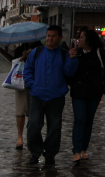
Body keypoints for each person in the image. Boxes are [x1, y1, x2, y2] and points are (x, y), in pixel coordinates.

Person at [23, 25, 78, 165]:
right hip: (37, 95)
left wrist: (72, 59)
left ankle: (50, 153)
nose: (50, 39)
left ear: (60, 38)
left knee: (54, 127)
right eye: (48, 36)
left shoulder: (64, 54)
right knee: (33, 125)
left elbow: (69, 73)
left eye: (53, 36)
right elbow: (28, 70)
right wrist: (31, 84)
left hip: (56, 96)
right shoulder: (37, 52)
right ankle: (35, 152)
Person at [69, 28, 105, 162]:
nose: (79, 40)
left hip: (94, 92)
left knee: (88, 121)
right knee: (79, 120)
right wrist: (73, 82)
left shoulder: (99, 52)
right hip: (78, 92)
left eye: (82, 37)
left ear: (88, 40)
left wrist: (102, 81)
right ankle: (76, 150)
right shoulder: (77, 53)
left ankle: (84, 149)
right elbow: (68, 70)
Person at [12, 41, 42, 149]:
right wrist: (23, 57)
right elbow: (13, 64)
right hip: (20, 82)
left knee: (33, 112)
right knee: (20, 110)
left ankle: (32, 137)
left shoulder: (40, 50)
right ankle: (20, 136)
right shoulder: (20, 49)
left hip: (35, 82)